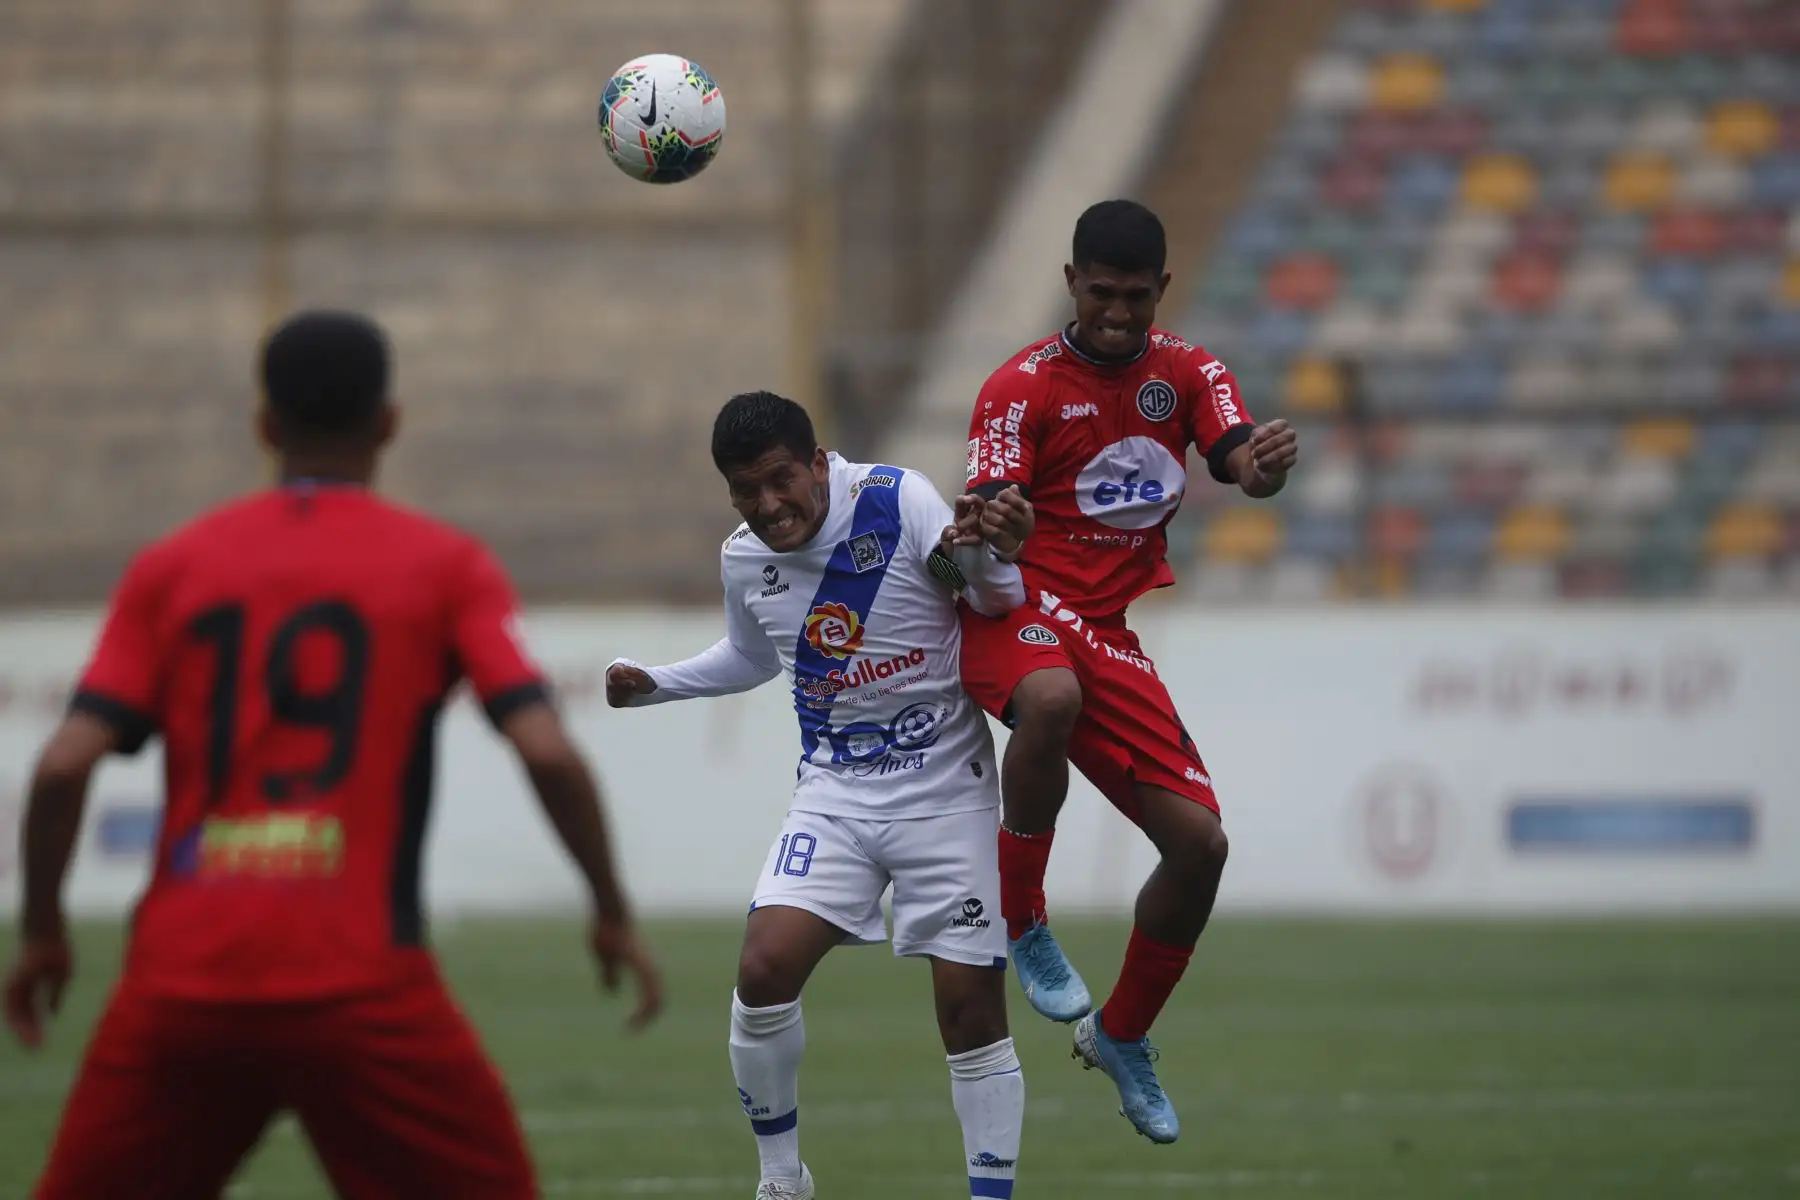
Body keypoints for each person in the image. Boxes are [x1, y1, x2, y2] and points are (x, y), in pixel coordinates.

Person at [4, 310, 663, 1199]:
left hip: (182, 985)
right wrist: (611, 907)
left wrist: (44, 931)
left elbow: (61, 766)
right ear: (389, 423)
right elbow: (546, 750)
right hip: (363, 984)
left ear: (264, 426)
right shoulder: (444, 565)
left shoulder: (172, 567)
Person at [606, 391, 1033, 1200]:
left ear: (816, 463)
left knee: (970, 1013)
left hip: (948, 791)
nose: (768, 506)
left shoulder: (897, 500)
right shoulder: (742, 557)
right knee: (763, 969)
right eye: (744, 490)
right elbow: (752, 656)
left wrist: (985, 556)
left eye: (779, 481)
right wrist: (657, 684)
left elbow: (986, 596)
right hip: (835, 796)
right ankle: (782, 1182)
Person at [959, 199, 1300, 1144]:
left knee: (1201, 849)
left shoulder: (1189, 371)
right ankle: (1020, 916)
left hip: (1103, 627)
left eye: (1135, 298)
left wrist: (1265, 468)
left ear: (1162, 291)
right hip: (1014, 603)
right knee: (1053, 699)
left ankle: (1121, 1034)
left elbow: (1237, 459)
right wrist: (1000, 520)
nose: (1116, 313)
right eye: (1101, 294)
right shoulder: (1018, 388)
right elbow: (987, 509)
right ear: (1072, 284)